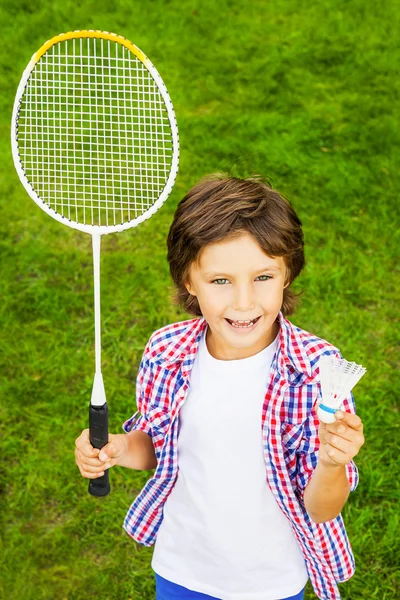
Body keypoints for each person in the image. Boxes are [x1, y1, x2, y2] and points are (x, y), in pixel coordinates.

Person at [75, 174, 365, 600]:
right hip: (182, 567)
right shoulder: (166, 352)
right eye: (221, 281)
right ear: (189, 282)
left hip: (271, 579)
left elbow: (321, 508)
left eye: (263, 277)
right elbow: (157, 448)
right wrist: (118, 447)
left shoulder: (317, 371)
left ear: (287, 274)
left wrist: (332, 462)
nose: (244, 302)